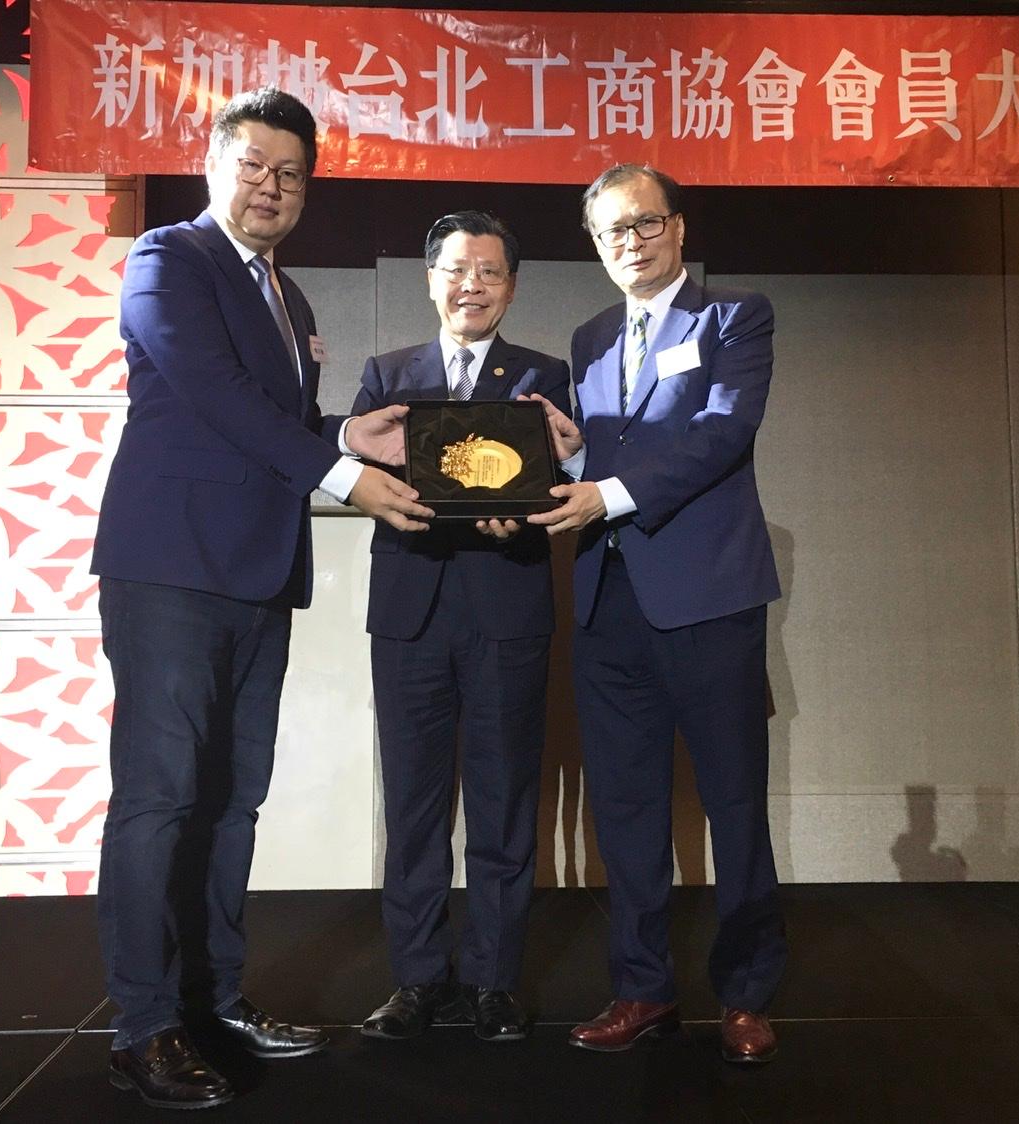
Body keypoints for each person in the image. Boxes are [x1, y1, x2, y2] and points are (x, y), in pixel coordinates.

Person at [91, 86, 433, 1110]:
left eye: (290, 173)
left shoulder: (290, 299)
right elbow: (212, 396)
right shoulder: (165, 259)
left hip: (255, 572)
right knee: (157, 799)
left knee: (233, 798)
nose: (271, 187)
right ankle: (143, 1024)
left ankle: (214, 999)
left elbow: (274, 415)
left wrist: (344, 435)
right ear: (213, 164)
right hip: (168, 570)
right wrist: (342, 477)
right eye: (253, 166)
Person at [527, 164, 787, 1063]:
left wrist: (608, 492)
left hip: (709, 597)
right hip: (608, 600)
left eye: (642, 225)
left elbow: (723, 434)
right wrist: (558, 462)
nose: (628, 244)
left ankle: (747, 996)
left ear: (677, 227)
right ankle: (641, 989)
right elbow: (593, 457)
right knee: (627, 807)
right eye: (610, 233)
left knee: (733, 804)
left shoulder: (733, 316)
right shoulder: (590, 336)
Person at [354, 211, 570, 1043]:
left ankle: (493, 980)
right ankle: (416, 981)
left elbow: (556, 481)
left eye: (488, 271)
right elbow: (360, 474)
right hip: (409, 614)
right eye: (455, 268)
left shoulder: (543, 374)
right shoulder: (387, 374)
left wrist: (526, 512)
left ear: (511, 286)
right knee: (412, 803)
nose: (470, 284)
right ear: (430, 279)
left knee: (504, 797)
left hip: (508, 607)